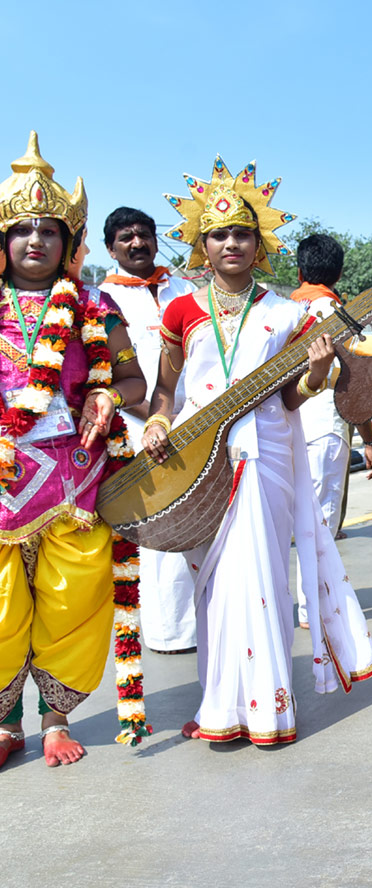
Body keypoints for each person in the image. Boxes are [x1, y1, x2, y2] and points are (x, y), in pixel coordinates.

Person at [144, 156, 372, 745]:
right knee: (215, 586)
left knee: (265, 575)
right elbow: (166, 389)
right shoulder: (181, 310)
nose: (231, 243)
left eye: (242, 233)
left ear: (259, 243)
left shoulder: (287, 314)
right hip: (199, 464)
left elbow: (294, 399)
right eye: (219, 233)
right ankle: (219, 703)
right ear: (202, 244)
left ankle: (269, 707)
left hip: (269, 454)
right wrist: (155, 422)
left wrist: (318, 373)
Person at [0, 133, 148, 768]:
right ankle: (5, 724)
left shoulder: (95, 304)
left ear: (69, 241)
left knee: (69, 598)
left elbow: (136, 381)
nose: (36, 241)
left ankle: (55, 718)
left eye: (49, 230)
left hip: (74, 477)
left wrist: (109, 398)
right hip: (4, 477)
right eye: (22, 229)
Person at [100, 206, 197, 653]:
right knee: (153, 526)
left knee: (197, 519)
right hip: (136, 426)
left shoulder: (186, 290)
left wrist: (189, 415)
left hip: (197, 422)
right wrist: (156, 416)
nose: (136, 243)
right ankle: (167, 632)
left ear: (156, 240)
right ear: (110, 248)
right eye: (125, 237)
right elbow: (106, 372)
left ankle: (202, 623)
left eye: (144, 234)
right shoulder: (101, 300)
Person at [291, 233, 372, 625]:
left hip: (289, 420)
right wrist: (371, 440)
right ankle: (316, 605)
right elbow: (353, 381)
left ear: (298, 270)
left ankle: (306, 600)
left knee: (295, 519)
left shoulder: (283, 307)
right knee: (321, 518)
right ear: (340, 272)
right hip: (325, 421)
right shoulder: (337, 312)